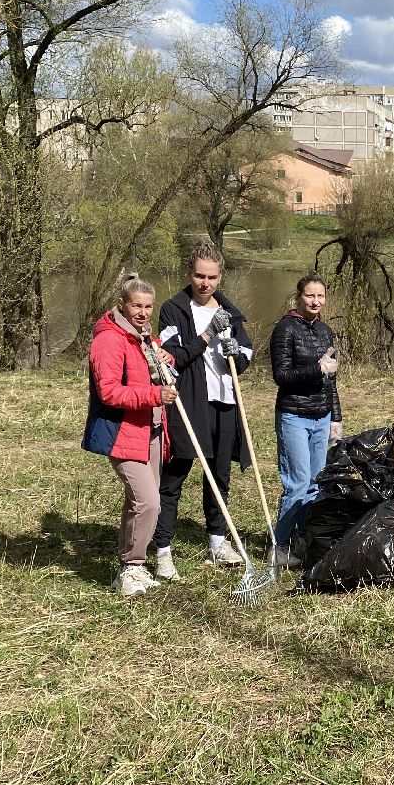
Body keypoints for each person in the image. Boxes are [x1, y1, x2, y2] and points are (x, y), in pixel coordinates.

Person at [153, 240, 254, 574]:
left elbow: (247, 357)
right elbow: (172, 357)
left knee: (218, 477)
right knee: (174, 476)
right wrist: (209, 335)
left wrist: (235, 351)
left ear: (220, 276)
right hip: (188, 401)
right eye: (199, 275)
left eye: (211, 277)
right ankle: (163, 550)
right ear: (190, 273)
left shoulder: (230, 311)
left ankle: (216, 542)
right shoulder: (174, 309)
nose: (205, 283)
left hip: (223, 403)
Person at [83, 275, 179, 596]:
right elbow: (109, 392)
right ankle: (133, 568)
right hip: (122, 431)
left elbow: (151, 370)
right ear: (122, 304)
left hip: (150, 430)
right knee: (149, 502)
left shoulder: (142, 337)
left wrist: (167, 359)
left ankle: (129, 565)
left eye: (148, 306)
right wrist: (155, 396)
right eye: (136, 305)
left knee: (137, 502)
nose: (143, 312)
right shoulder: (109, 340)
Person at [270, 275, 343, 569]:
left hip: (321, 415)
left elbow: (331, 381)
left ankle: (305, 539)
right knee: (297, 484)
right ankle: (280, 545)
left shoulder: (326, 331)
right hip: (294, 416)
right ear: (299, 296)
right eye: (310, 296)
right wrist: (316, 368)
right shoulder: (285, 329)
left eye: (320, 296)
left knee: (316, 484)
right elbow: (281, 376)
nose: (315, 302)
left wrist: (335, 417)